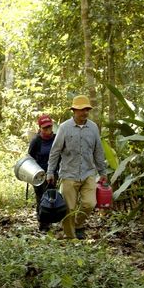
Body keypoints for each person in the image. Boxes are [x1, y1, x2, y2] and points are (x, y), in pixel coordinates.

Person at [46, 95, 108, 240]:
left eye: (86, 109)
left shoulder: (93, 127)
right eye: (81, 110)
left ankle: (78, 224)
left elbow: (98, 150)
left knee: (90, 204)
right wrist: (50, 171)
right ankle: (71, 238)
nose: (84, 112)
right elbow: (55, 151)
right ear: (74, 110)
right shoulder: (64, 128)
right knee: (69, 208)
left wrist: (102, 171)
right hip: (69, 174)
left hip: (88, 172)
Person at [28, 113, 56, 232]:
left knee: (52, 197)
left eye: (49, 127)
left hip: (54, 172)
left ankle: (51, 220)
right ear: (40, 128)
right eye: (45, 128)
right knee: (41, 198)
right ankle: (43, 224)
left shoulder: (56, 139)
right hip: (39, 174)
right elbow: (30, 158)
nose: (48, 130)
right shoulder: (36, 141)